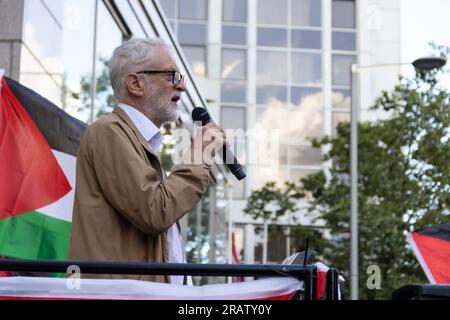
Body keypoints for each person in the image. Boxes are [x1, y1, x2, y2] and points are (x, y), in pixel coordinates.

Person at [68, 38, 226, 284]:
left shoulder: (140, 142)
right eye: (172, 76)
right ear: (135, 83)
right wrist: (198, 156)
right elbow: (155, 210)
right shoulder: (109, 131)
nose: (182, 86)